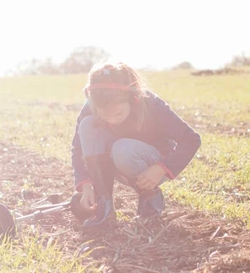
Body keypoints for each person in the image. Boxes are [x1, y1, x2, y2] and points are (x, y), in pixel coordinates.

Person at [70, 62, 201, 230]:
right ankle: (105, 206)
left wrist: (161, 168)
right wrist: (85, 183)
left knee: (122, 149)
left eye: (117, 113)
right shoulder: (90, 107)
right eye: (103, 114)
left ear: (133, 98)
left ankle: (150, 200)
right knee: (88, 125)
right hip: (111, 163)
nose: (111, 120)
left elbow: (191, 140)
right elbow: (78, 148)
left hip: (151, 165)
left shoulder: (152, 105)